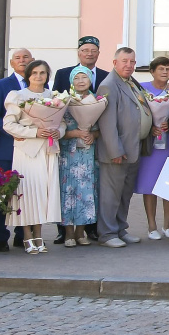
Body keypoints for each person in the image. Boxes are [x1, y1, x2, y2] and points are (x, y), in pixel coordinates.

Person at [2, 59, 62, 253]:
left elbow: (63, 122)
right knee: (27, 193)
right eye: (35, 73)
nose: (38, 76)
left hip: (47, 150)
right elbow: (8, 124)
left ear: (47, 76)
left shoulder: (53, 96)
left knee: (42, 193)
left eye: (42, 73)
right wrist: (33, 133)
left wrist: (57, 131)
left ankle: (39, 235)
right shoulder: (18, 95)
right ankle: (27, 236)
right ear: (28, 75)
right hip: (26, 150)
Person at [94, 48, 149, 248]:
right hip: (117, 152)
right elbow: (107, 123)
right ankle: (107, 234)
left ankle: (120, 228)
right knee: (111, 195)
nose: (129, 65)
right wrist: (114, 150)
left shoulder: (131, 82)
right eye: (125, 61)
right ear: (115, 62)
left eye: (132, 61)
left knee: (124, 194)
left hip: (133, 148)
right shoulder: (109, 85)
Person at [0, 47, 32, 251]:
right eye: (17, 58)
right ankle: (0, 236)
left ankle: (22, 235)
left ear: (33, 61)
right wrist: (11, 130)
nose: (22, 60)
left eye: (26, 57)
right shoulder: (1, 85)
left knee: (26, 193)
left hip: (31, 150)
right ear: (11, 63)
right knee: (2, 192)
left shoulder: (40, 84)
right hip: (6, 148)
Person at [54, 65, 100, 247]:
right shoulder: (63, 100)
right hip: (69, 154)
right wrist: (76, 134)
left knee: (85, 192)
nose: (81, 81)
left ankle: (81, 232)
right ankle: (68, 233)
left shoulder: (96, 101)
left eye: (84, 78)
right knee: (68, 191)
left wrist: (92, 134)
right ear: (71, 81)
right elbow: (57, 127)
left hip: (88, 153)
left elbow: (99, 129)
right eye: (77, 78)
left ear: (90, 80)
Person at [133, 56, 169, 239]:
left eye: (168, 69)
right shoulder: (142, 89)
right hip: (150, 143)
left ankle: (167, 225)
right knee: (149, 184)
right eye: (161, 69)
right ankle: (152, 226)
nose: (165, 72)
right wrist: (150, 126)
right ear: (152, 71)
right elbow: (137, 114)